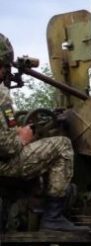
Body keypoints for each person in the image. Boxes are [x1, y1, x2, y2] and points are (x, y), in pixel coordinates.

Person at [0, 34, 86, 231]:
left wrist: (15, 131)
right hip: (4, 166)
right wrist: (22, 138)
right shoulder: (1, 95)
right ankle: (53, 217)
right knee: (62, 145)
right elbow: (7, 148)